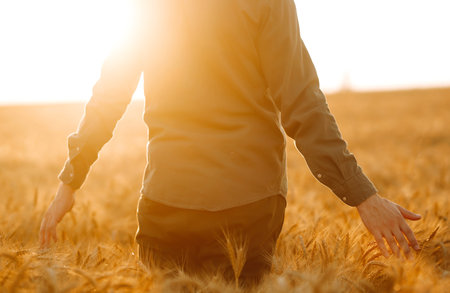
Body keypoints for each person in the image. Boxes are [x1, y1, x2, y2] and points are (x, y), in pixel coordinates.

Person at [39, 0, 421, 286]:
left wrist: (69, 181)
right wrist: (363, 196)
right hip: (248, 207)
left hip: (166, 203)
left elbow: (109, 93)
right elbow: (302, 102)